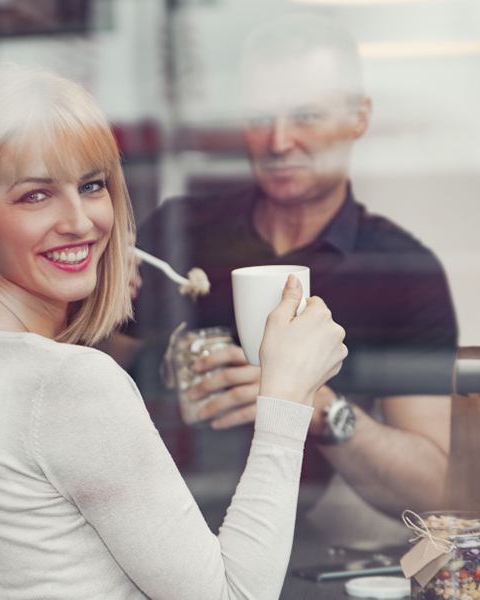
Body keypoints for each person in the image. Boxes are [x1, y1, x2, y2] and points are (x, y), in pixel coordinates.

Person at [0, 63, 347, 599]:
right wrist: (287, 397)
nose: (80, 222)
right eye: (36, 195)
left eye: (91, 185)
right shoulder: (74, 385)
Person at [122, 14, 458, 541]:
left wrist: (319, 407)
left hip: (287, 544)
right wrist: (153, 357)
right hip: (144, 531)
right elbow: (83, 378)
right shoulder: (178, 233)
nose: (279, 141)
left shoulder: (402, 271)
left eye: (305, 116)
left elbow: (433, 489)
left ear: (359, 118)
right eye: (260, 117)